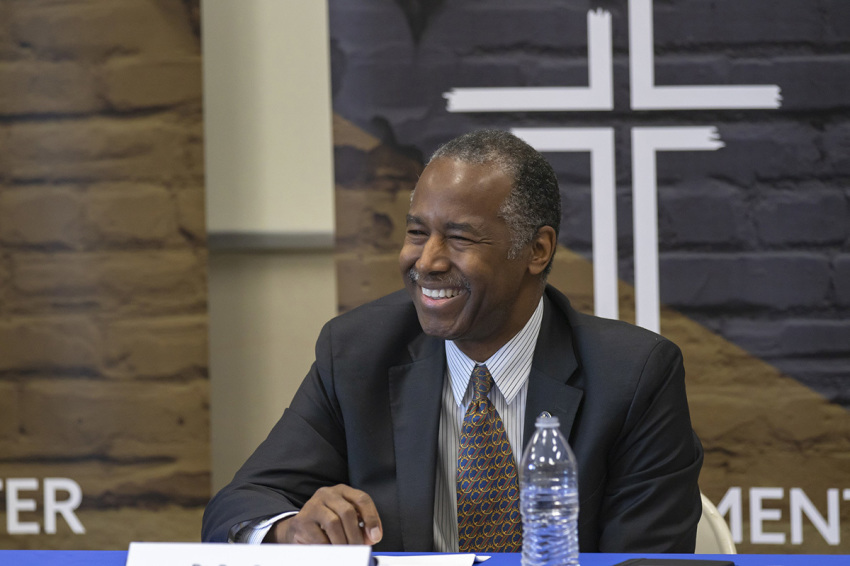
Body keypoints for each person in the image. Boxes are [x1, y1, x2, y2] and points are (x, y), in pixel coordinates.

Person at [201, 130, 703, 553]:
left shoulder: (634, 376)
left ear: (537, 249)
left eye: (460, 238)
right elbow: (241, 503)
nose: (427, 261)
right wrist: (291, 531)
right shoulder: (357, 352)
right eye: (418, 233)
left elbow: (647, 560)